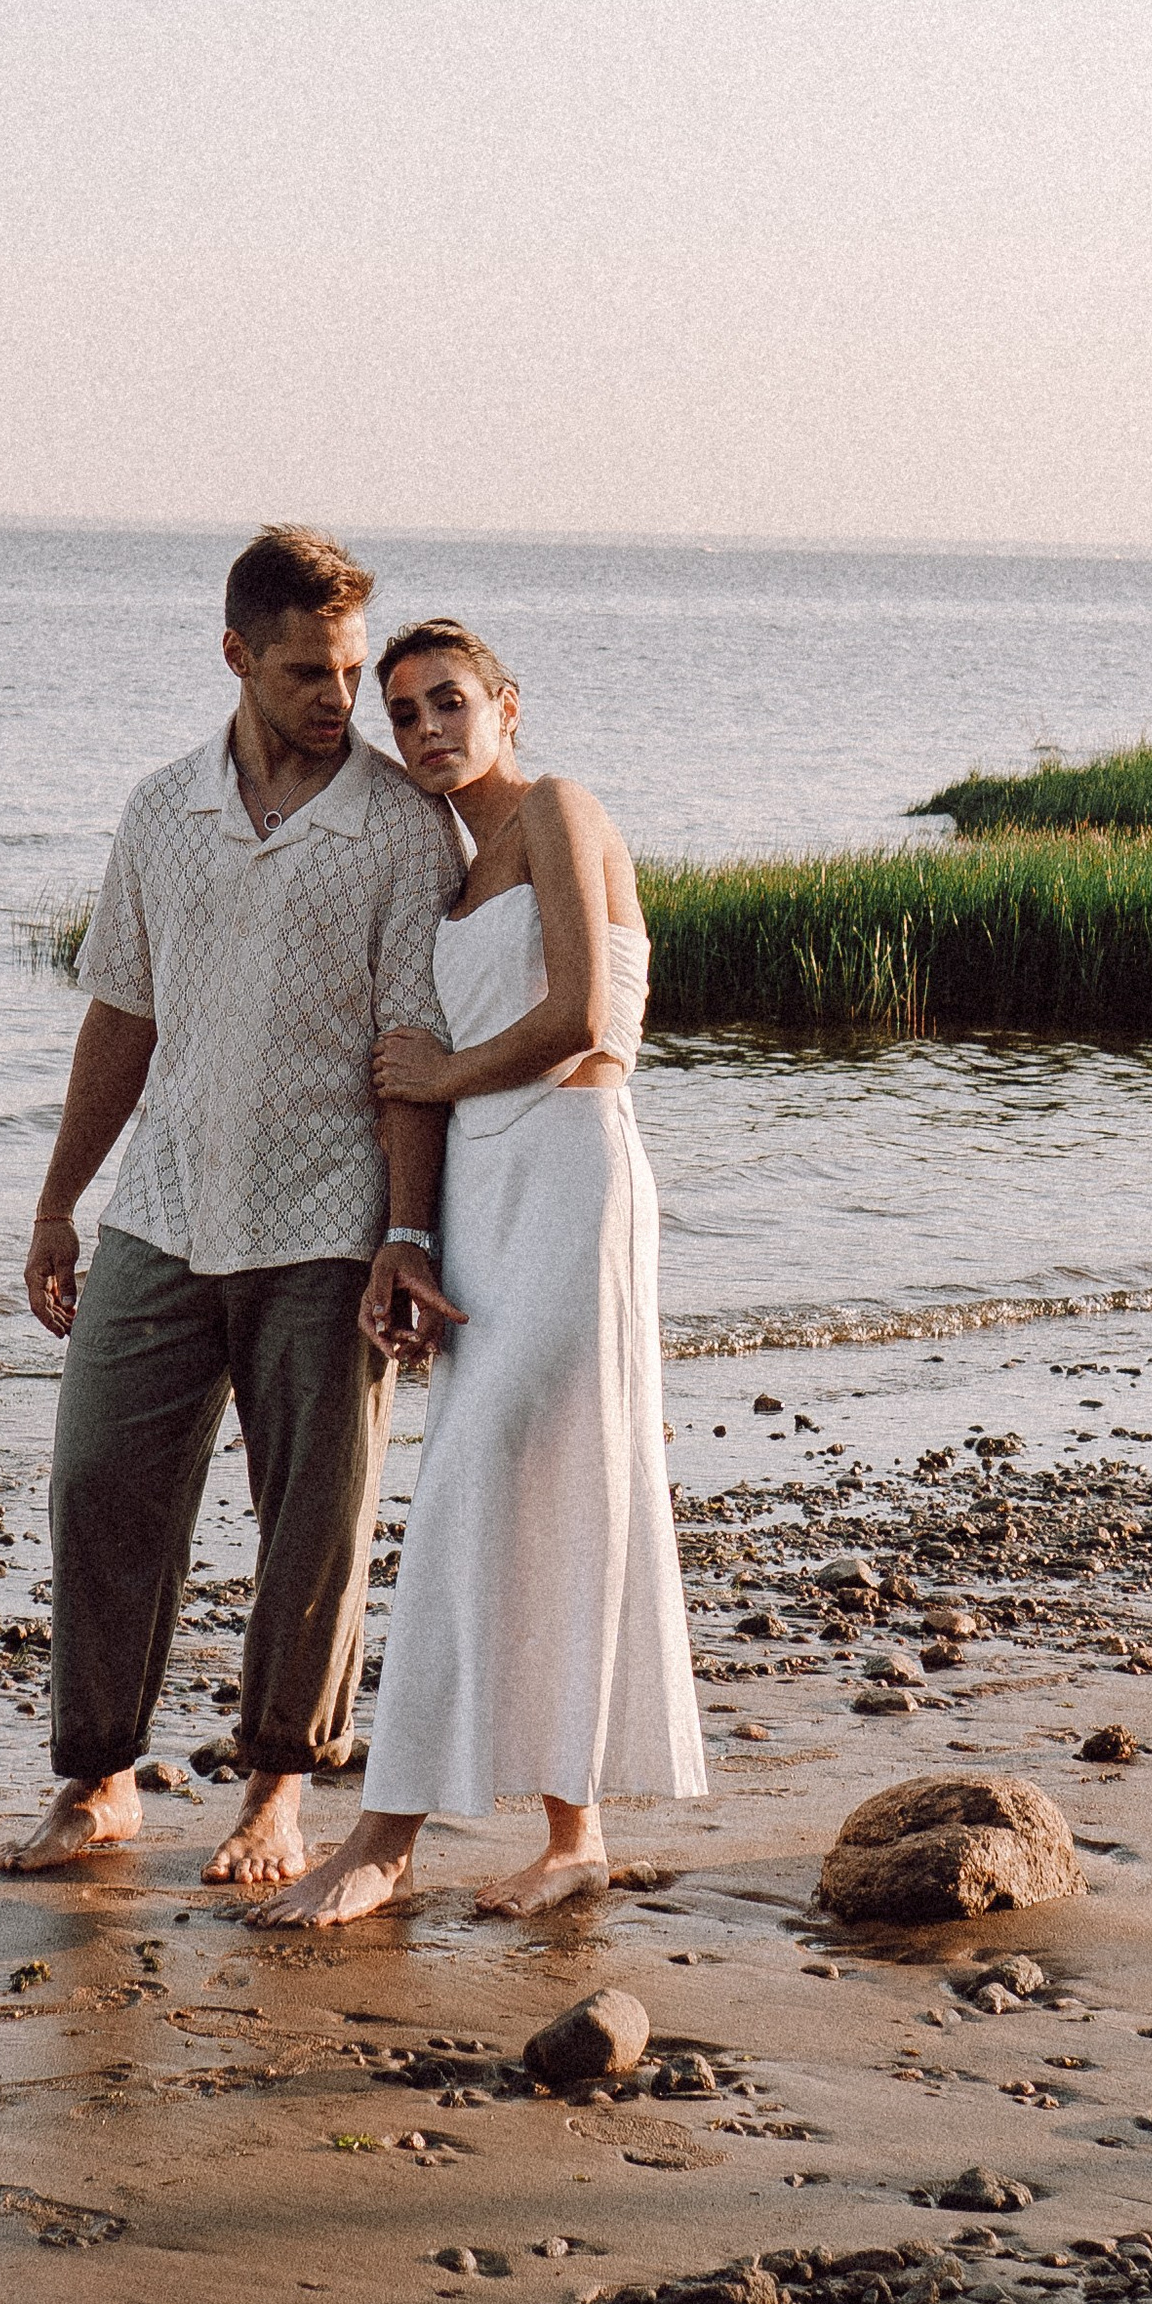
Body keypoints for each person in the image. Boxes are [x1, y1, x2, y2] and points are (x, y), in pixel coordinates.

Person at [0, 528, 465, 1890]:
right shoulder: (161, 810)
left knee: (312, 1513)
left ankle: (277, 1793)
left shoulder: (397, 828)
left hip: (326, 1222)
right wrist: (55, 1204)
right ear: (237, 657)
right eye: (312, 671)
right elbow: (121, 1014)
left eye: (353, 669)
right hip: (161, 1208)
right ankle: (98, 1781)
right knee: (98, 1481)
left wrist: (406, 1233)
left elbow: (409, 1049)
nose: (342, 698)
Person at [253, 618, 706, 1927]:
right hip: (483, 1201)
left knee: (467, 1487)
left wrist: (439, 1072)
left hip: (572, 1173)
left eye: (448, 702)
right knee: (551, 1488)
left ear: (509, 706)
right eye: (403, 713)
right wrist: (417, 1242)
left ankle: (386, 1842)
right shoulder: (444, 876)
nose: (426, 729)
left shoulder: (560, 810)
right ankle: (576, 1836)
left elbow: (578, 1017)